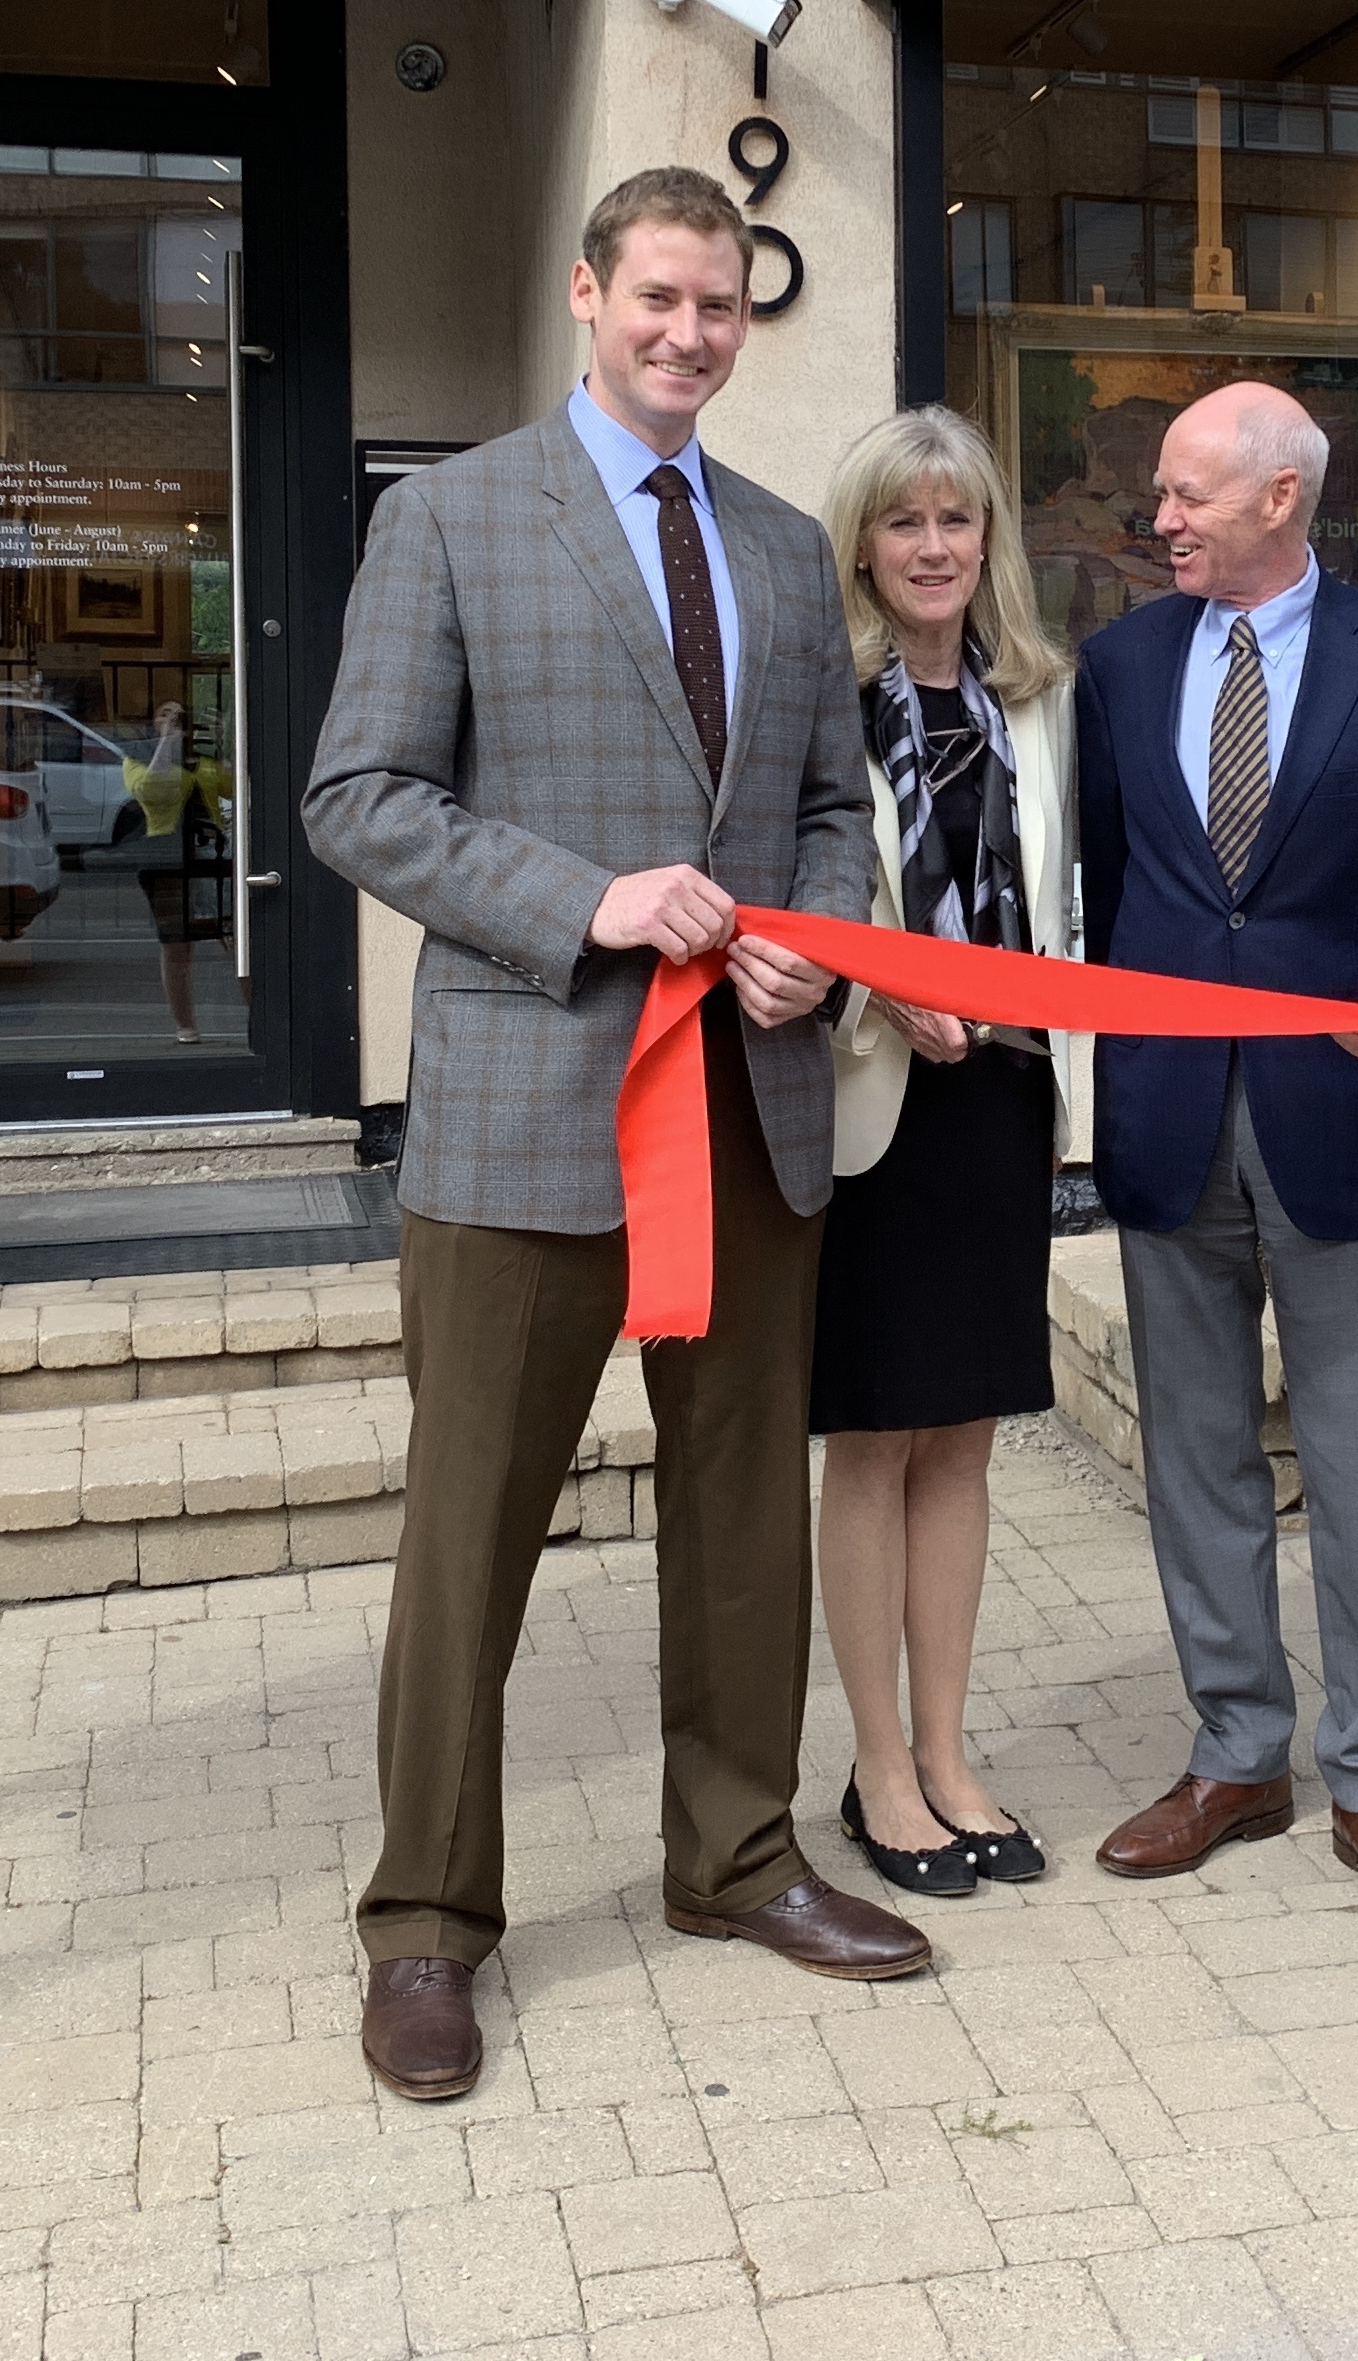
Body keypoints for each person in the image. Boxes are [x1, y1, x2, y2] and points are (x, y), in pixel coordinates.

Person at [304, 167, 925, 2107]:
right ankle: (425, 1926)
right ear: (588, 295)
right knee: (467, 1535)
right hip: (526, 1121)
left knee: (743, 1522)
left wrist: (809, 952)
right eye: (657, 298)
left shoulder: (774, 545)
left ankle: (738, 1858)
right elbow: (359, 796)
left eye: (719, 308)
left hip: (750, 1116)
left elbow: (835, 811)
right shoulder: (453, 517)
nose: (689, 334)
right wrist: (586, 901)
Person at [1076, 383, 1358, 1932]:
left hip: (1342, 1109)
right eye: (1159, 497)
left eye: (1184, 496)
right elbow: (1112, 884)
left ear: (1278, 500)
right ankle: (1237, 1753)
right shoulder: (1118, 664)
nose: (1157, 518)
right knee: (1192, 1456)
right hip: (1170, 1115)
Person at [810, 408, 1082, 1901]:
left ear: (990, 544)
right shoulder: (822, 692)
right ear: (865, 540)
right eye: (906, 523)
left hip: (1000, 1105)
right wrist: (879, 982)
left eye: (957, 522)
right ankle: (873, 1767)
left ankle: (949, 1747)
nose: (933, 548)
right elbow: (782, 886)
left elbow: (1063, 896)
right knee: (876, 1438)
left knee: (968, 1436)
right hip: (872, 1103)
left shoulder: (1033, 697)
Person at [122, 702, 231, 1042]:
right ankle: (186, 1025)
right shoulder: (135, 762)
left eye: (179, 716)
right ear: (151, 723)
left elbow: (235, 787)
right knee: (177, 946)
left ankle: (259, 1018)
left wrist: (224, 740)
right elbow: (153, 789)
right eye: (164, 714)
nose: (172, 720)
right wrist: (167, 742)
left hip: (213, 856)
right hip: (166, 860)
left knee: (235, 938)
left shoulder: (205, 761)